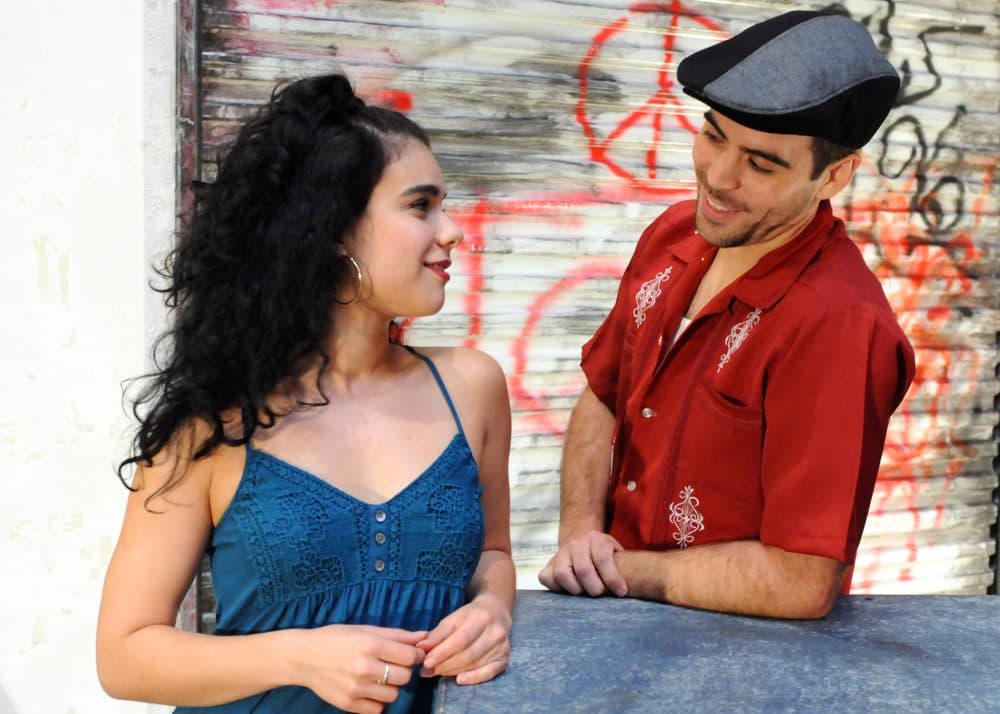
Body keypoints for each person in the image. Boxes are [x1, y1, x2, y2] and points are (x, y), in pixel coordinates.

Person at [97, 73, 514, 713]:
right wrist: (297, 656)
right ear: (334, 228)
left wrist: (491, 608)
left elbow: (492, 552)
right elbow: (124, 655)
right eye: (420, 206)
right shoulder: (216, 419)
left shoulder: (472, 386)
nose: (452, 230)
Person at [538, 10, 915, 619]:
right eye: (714, 135)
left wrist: (618, 572)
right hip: (613, 624)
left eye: (761, 164)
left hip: (738, 660)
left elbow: (800, 581)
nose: (717, 177)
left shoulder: (839, 325)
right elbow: (604, 393)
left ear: (835, 176)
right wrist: (582, 536)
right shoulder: (672, 235)